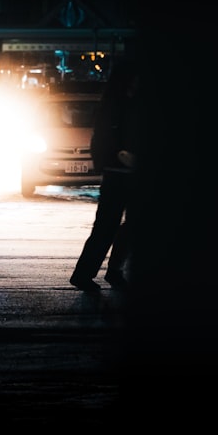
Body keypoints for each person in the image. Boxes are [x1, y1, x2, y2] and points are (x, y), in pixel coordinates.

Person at [68, 58, 140, 292]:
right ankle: (94, 273)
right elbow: (102, 140)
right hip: (118, 172)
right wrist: (117, 155)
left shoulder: (122, 103)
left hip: (124, 172)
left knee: (120, 225)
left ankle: (108, 271)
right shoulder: (116, 105)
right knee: (108, 225)